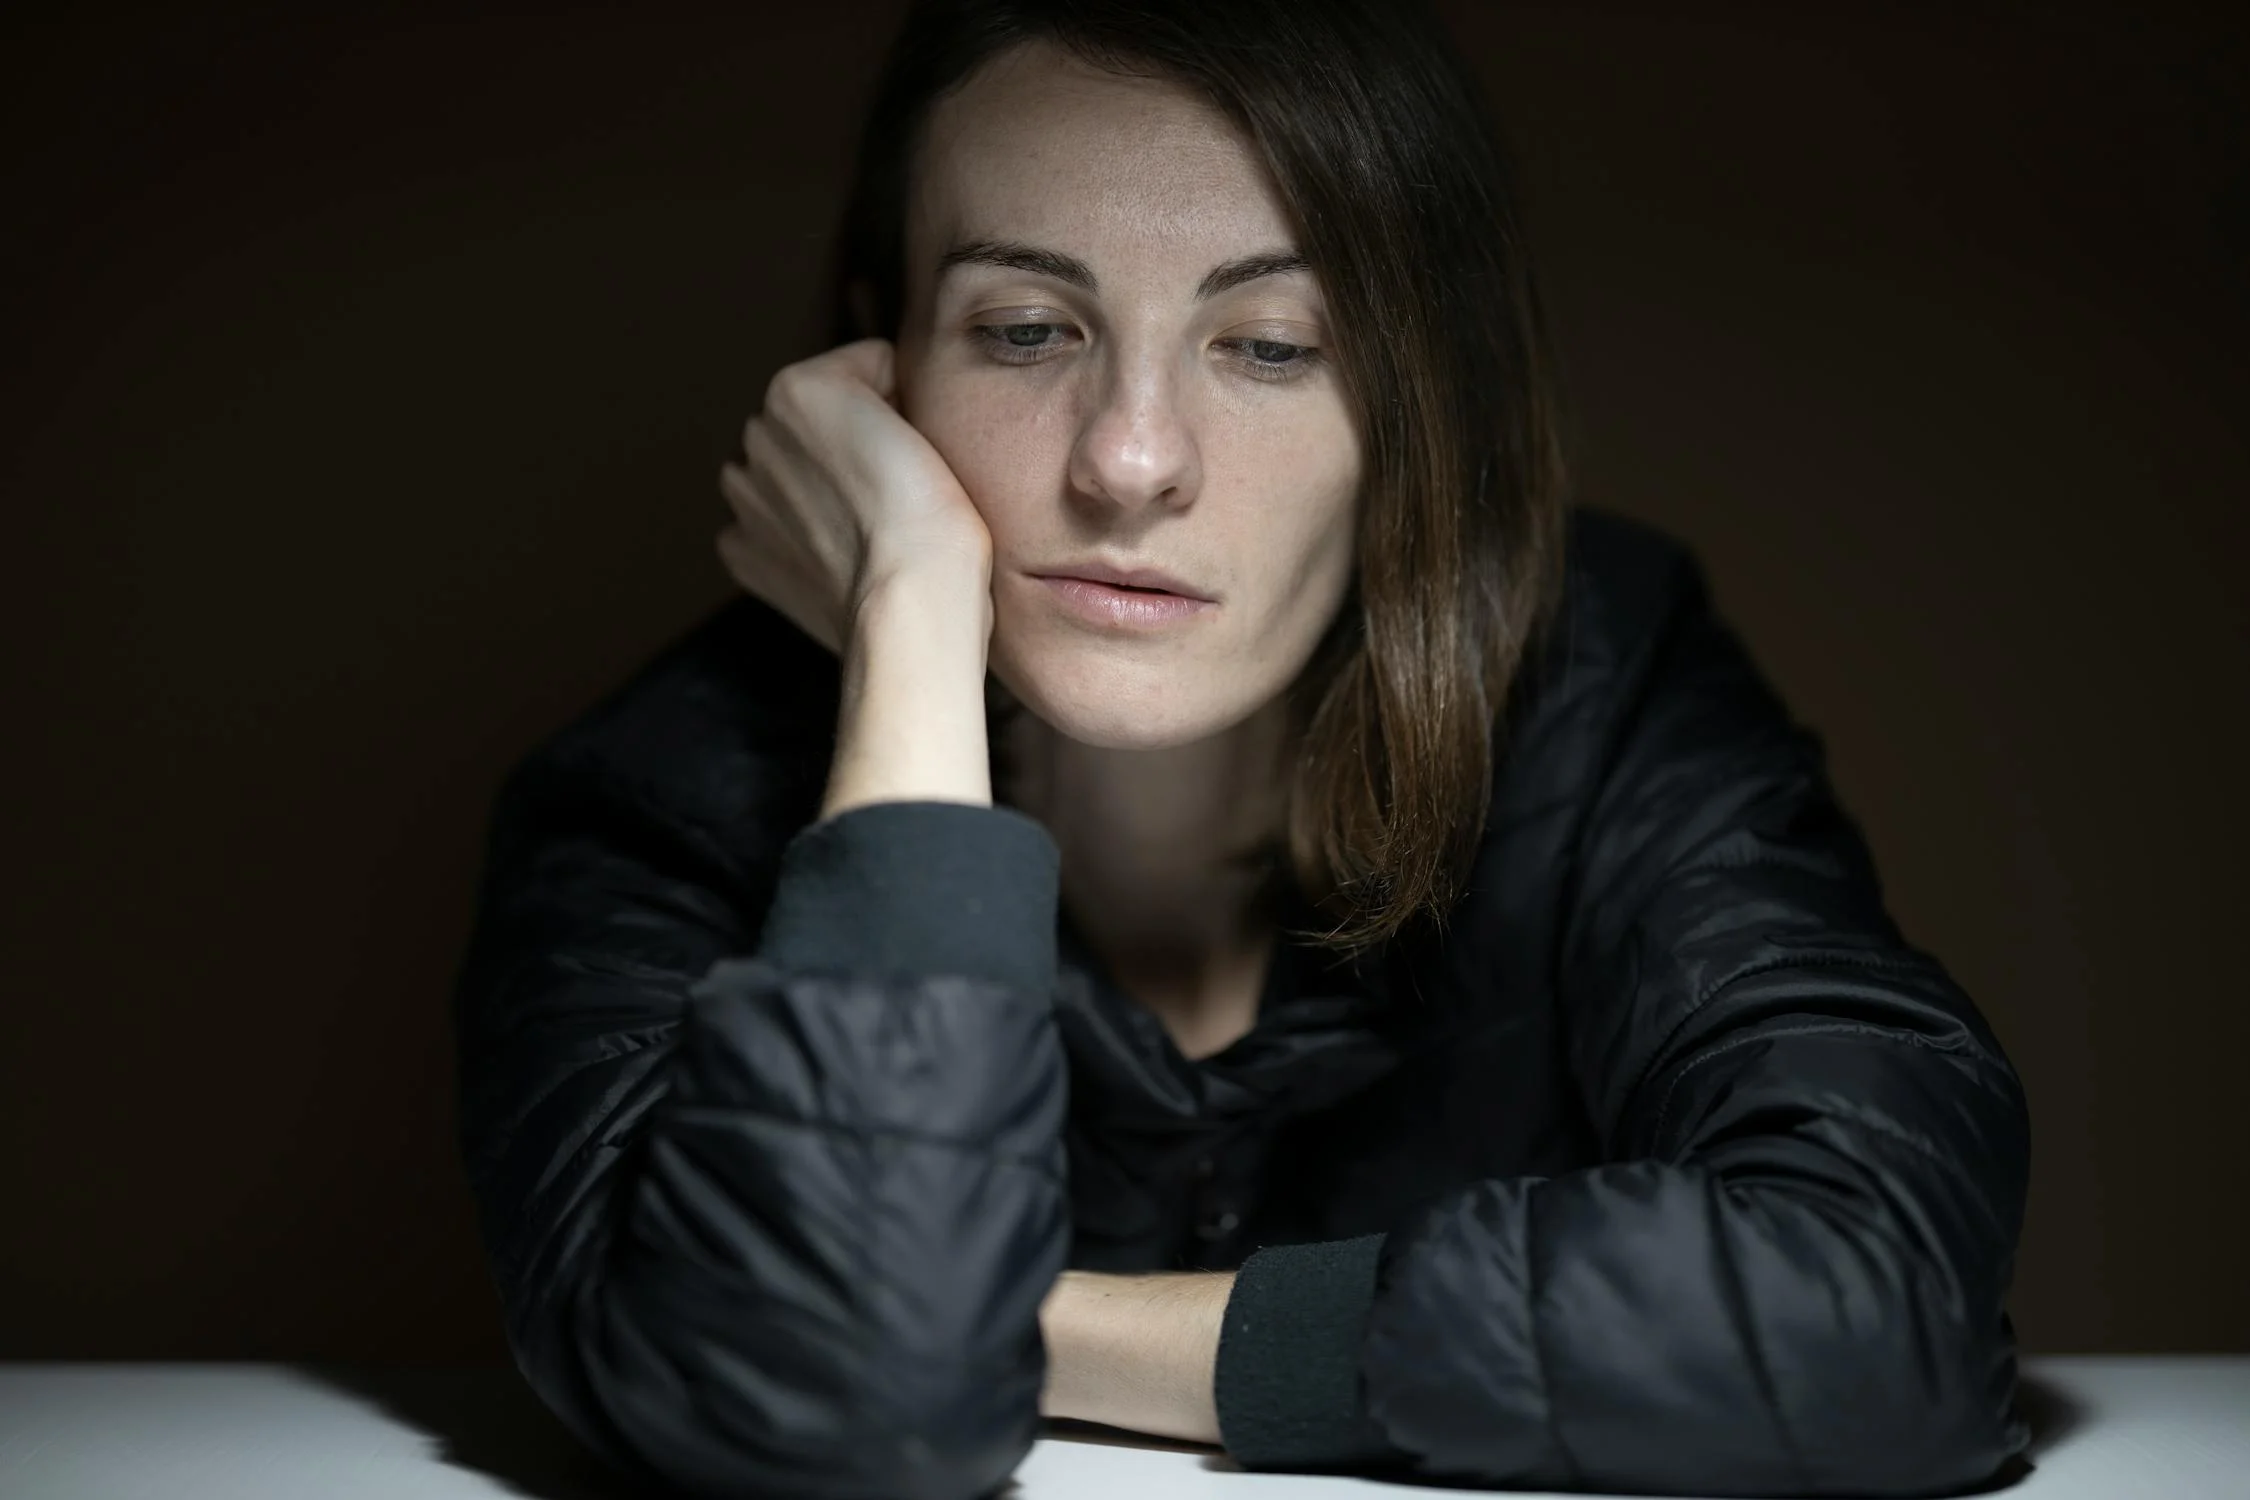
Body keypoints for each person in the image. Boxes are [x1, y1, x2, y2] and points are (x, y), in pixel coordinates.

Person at [449, 1, 2033, 1496]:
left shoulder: (1602, 694)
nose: (1130, 459)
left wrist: (1029, 1324)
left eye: (1271, 345)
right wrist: (911, 608)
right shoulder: (658, 802)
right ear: (874, 373)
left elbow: (1876, 1301)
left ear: (1423, 410)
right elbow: (834, 1425)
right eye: (1020, 329)